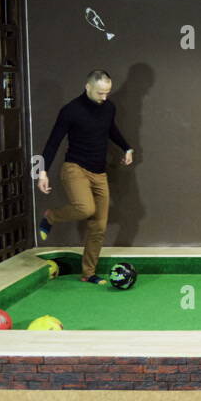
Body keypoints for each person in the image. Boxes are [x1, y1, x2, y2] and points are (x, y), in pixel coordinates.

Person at [36, 70, 134, 284]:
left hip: (99, 173)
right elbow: (53, 142)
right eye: (100, 93)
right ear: (88, 87)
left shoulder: (108, 107)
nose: (104, 97)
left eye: (107, 92)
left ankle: (88, 273)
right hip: (75, 168)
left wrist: (126, 147)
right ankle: (51, 216)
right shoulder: (70, 111)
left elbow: (111, 130)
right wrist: (42, 172)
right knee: (85, 208)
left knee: (99, 226)